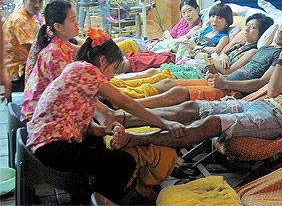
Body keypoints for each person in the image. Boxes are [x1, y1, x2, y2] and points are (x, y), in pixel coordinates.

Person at [108, 2, 282, 150]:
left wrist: (224, 78)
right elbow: (275, 91)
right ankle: (122, 119)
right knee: (191, 107)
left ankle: (134, 139)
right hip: (265, 103)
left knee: (210, 123)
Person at [26, 29, 186, 203]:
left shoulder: (77, 67)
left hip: (44, 141)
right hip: (50, 148)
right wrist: (164, 123)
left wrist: (105, 131)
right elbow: (127, 103)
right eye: (114, 68)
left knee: (101, 147)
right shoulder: (88, 71)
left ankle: (92, 195)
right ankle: (99, 201)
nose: (113, 75)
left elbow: (82, 124)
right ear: (102, 61)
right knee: (123, 163)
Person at [134, 10, 282, 108]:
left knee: (176, 91)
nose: (280, 32)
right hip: (221, 81)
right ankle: (127, 101)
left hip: (231, 91)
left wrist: (225, 83)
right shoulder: (266, 48)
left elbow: (262, 83)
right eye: (281, 27)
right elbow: (236, 69)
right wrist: (221, 76)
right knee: (168, 83)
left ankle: (130, 109)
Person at [22, 0, 79, 123]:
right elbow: (64, 94)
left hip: (50, 105)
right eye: (73, 20)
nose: (77, 24)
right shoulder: (54, 54)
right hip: (40, 115)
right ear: (58, 26)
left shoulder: (62, 44)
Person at [3, 0, 45, 92]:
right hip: (17, 69)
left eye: (40, 1)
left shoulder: (30, 17)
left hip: (24, 63)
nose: (36, 5)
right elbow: (33, 51)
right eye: (32, 0)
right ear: (24, 0)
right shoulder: (20, 19)